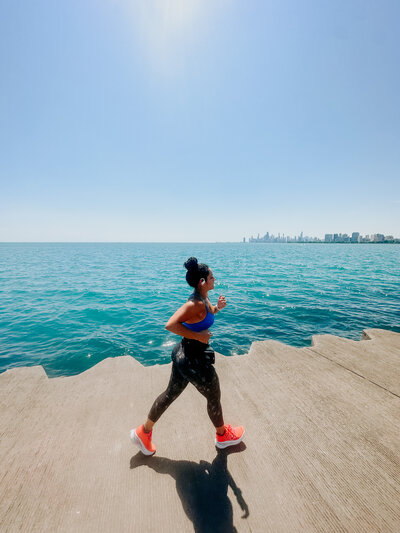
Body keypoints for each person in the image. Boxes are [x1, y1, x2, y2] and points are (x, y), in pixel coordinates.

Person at [130, 257, 244, 456]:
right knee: (214, 395)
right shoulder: (194, 303)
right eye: (211, 276)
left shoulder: (204, 298)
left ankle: (143, 432)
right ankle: (223, 436)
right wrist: (199, 337)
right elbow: (171, 324)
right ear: (202, 282)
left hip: (185, 357)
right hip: (194, 360)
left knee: (169, 395)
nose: (214, 278)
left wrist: (218, 308)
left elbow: (204, 317)